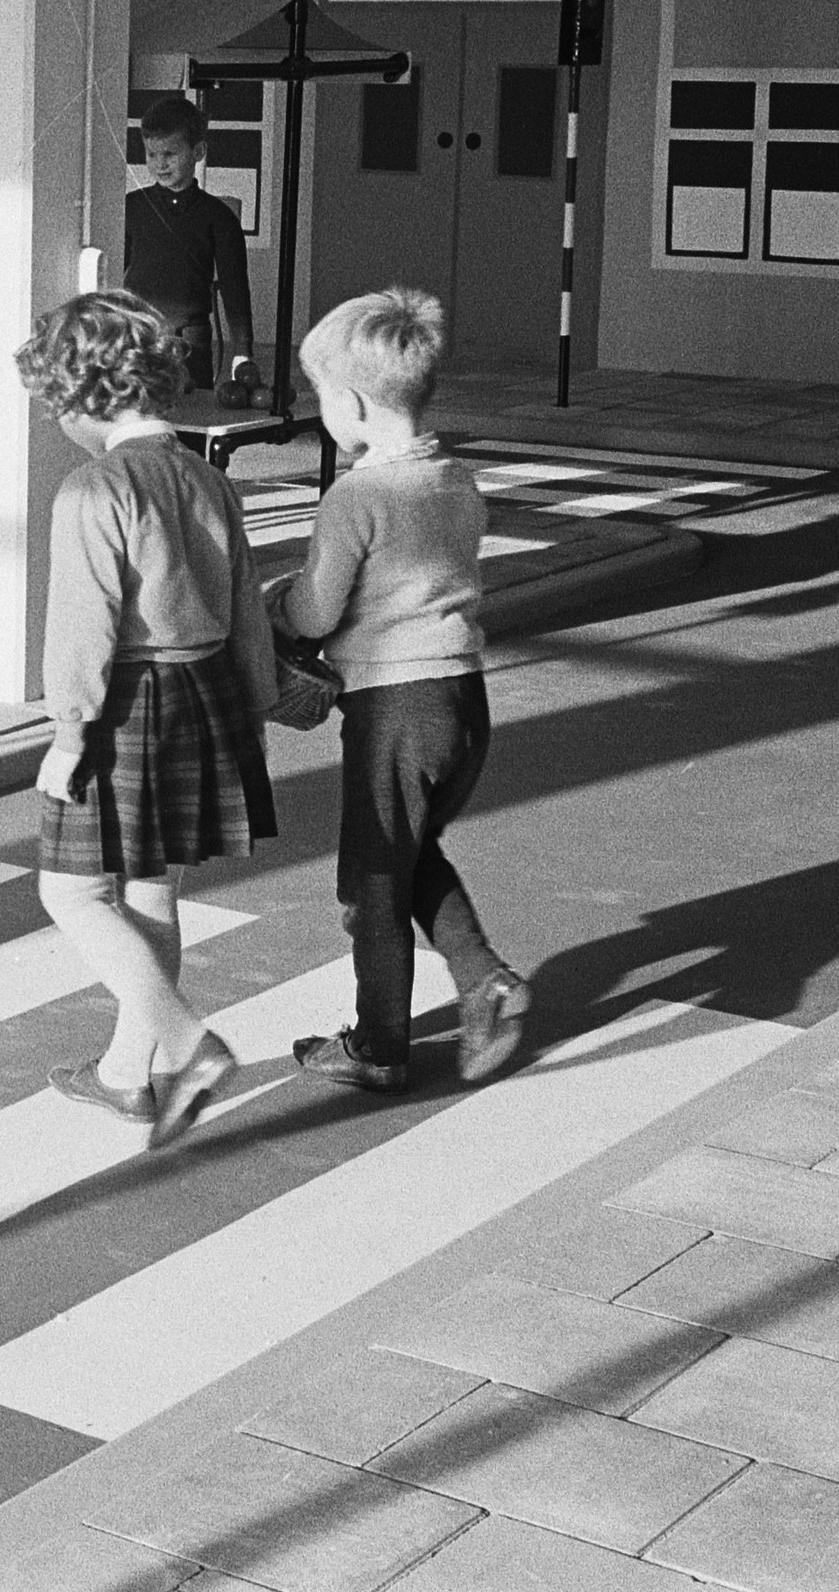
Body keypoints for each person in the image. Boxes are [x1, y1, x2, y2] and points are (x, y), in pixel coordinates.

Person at [14, 287, 279, 1147]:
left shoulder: (93, 488)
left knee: (71, 892)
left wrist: (67, 734)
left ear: (80, 395)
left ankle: (186, 1043)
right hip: (204, 692)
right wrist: (267, 697)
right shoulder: (207, 478)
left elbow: (81, 628)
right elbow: (243, 604)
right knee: (151, 886)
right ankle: (129, 1074)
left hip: (122, 701)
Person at [271, 288, 530, 1091]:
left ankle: (381, 1044)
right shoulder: (455, 478)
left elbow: (316, 608)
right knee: (409, 856)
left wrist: (274, 603)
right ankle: (480, 973)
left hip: (393, 709)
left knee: (373, 884)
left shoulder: (356, 496)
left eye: (319, 396)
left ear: (348, 403)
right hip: (461, 697)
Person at [124, 95, 261, 403]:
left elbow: (235, 289)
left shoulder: (219, 217)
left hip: (190, 342)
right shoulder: (131, 207)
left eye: (170, 153)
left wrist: (242, 352)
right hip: (136, 338)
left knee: (193, 420)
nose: (160, 164)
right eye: (151, 154)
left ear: (198, 151)